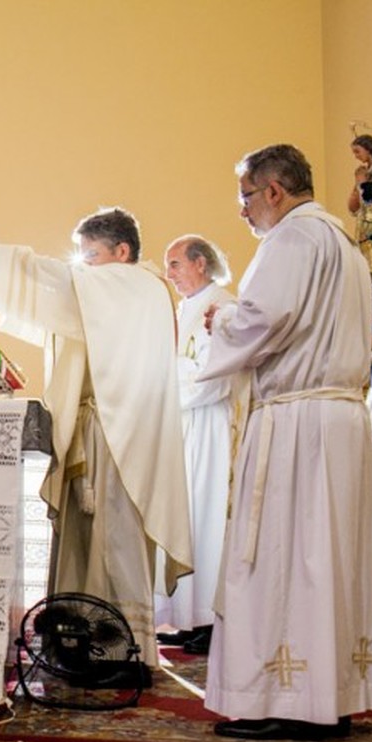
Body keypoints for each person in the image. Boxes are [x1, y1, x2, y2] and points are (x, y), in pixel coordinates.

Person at [0, 208, 192, 670]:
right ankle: (79, 640)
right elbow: (64, 305)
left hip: (119, 435)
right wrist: (11, 273)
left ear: (122, 252)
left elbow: (65, 284)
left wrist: (10, 263)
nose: (83, 266)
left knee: (115, 538)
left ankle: (124, 646)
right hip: (93, 430)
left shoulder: (140, 285)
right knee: (84, 541)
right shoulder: (113, 293)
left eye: (91, 255)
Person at [201, 144, 372, 741]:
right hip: (341, 420)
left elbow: (262, 320)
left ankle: (291, 701)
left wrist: (219, 320)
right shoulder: (343, 245)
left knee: (285, 558)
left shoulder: (293, 240)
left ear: (273, 191)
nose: (244, 212)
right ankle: (332, 698)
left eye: (246, 197)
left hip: (298, 424)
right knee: (330, 561)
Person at [152, 236, 237, 656]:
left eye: (175, 264)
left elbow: (215, 376)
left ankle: (209, 619)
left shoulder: (221, 306)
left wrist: (169, 380)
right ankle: (185, 618)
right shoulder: (185, 308)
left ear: (201, 263)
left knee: (205, 520)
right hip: (182, 425)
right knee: (183, 520)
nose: (170, 274)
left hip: (207, 425)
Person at [347, 133, 372, 274]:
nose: (356, 156)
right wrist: (358, 184)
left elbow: (370, 201)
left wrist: (363, 183)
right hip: (364, 228)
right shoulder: (362, 172)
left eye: (357, 151)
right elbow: (353, 207)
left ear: (368, 149)